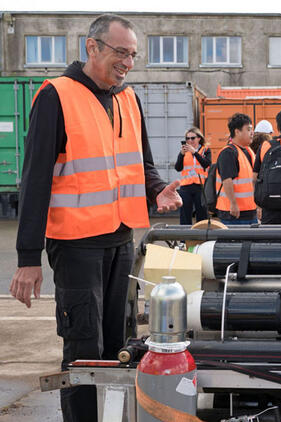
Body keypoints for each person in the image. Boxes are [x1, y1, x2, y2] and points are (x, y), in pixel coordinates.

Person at [9, 14, 182, 422]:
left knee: (119, 347)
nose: (128, 62)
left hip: (121, 240)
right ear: (93, 47)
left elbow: (142, 164)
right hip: (76, 247)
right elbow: (34, 182)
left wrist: (158, 189)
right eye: (121, 52)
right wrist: (28, 258)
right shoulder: (57, 96)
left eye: (133, 55)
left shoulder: (128, 98)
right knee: (84, 350)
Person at [216, 113, 258, 225]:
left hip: (249, 210)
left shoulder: (248, 151)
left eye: (252, 129)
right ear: (237, 132)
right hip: (234, 213)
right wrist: (233, 203)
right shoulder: (228, 153)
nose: (252, 133)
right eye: (248, 129)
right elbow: (227, 180)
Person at [174, 126, 210, 225]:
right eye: (187, 138)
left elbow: (206, 163)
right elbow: (178, 167)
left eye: (192, 138)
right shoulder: (184, 152)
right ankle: (184, 239)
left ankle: (202, 237)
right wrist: (181, 154)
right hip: (186, 186)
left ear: (199, 138)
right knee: (185, 214)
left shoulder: (205, 150)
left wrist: (195, 152)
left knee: (202, 214)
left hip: (200, 186)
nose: (190, 141)